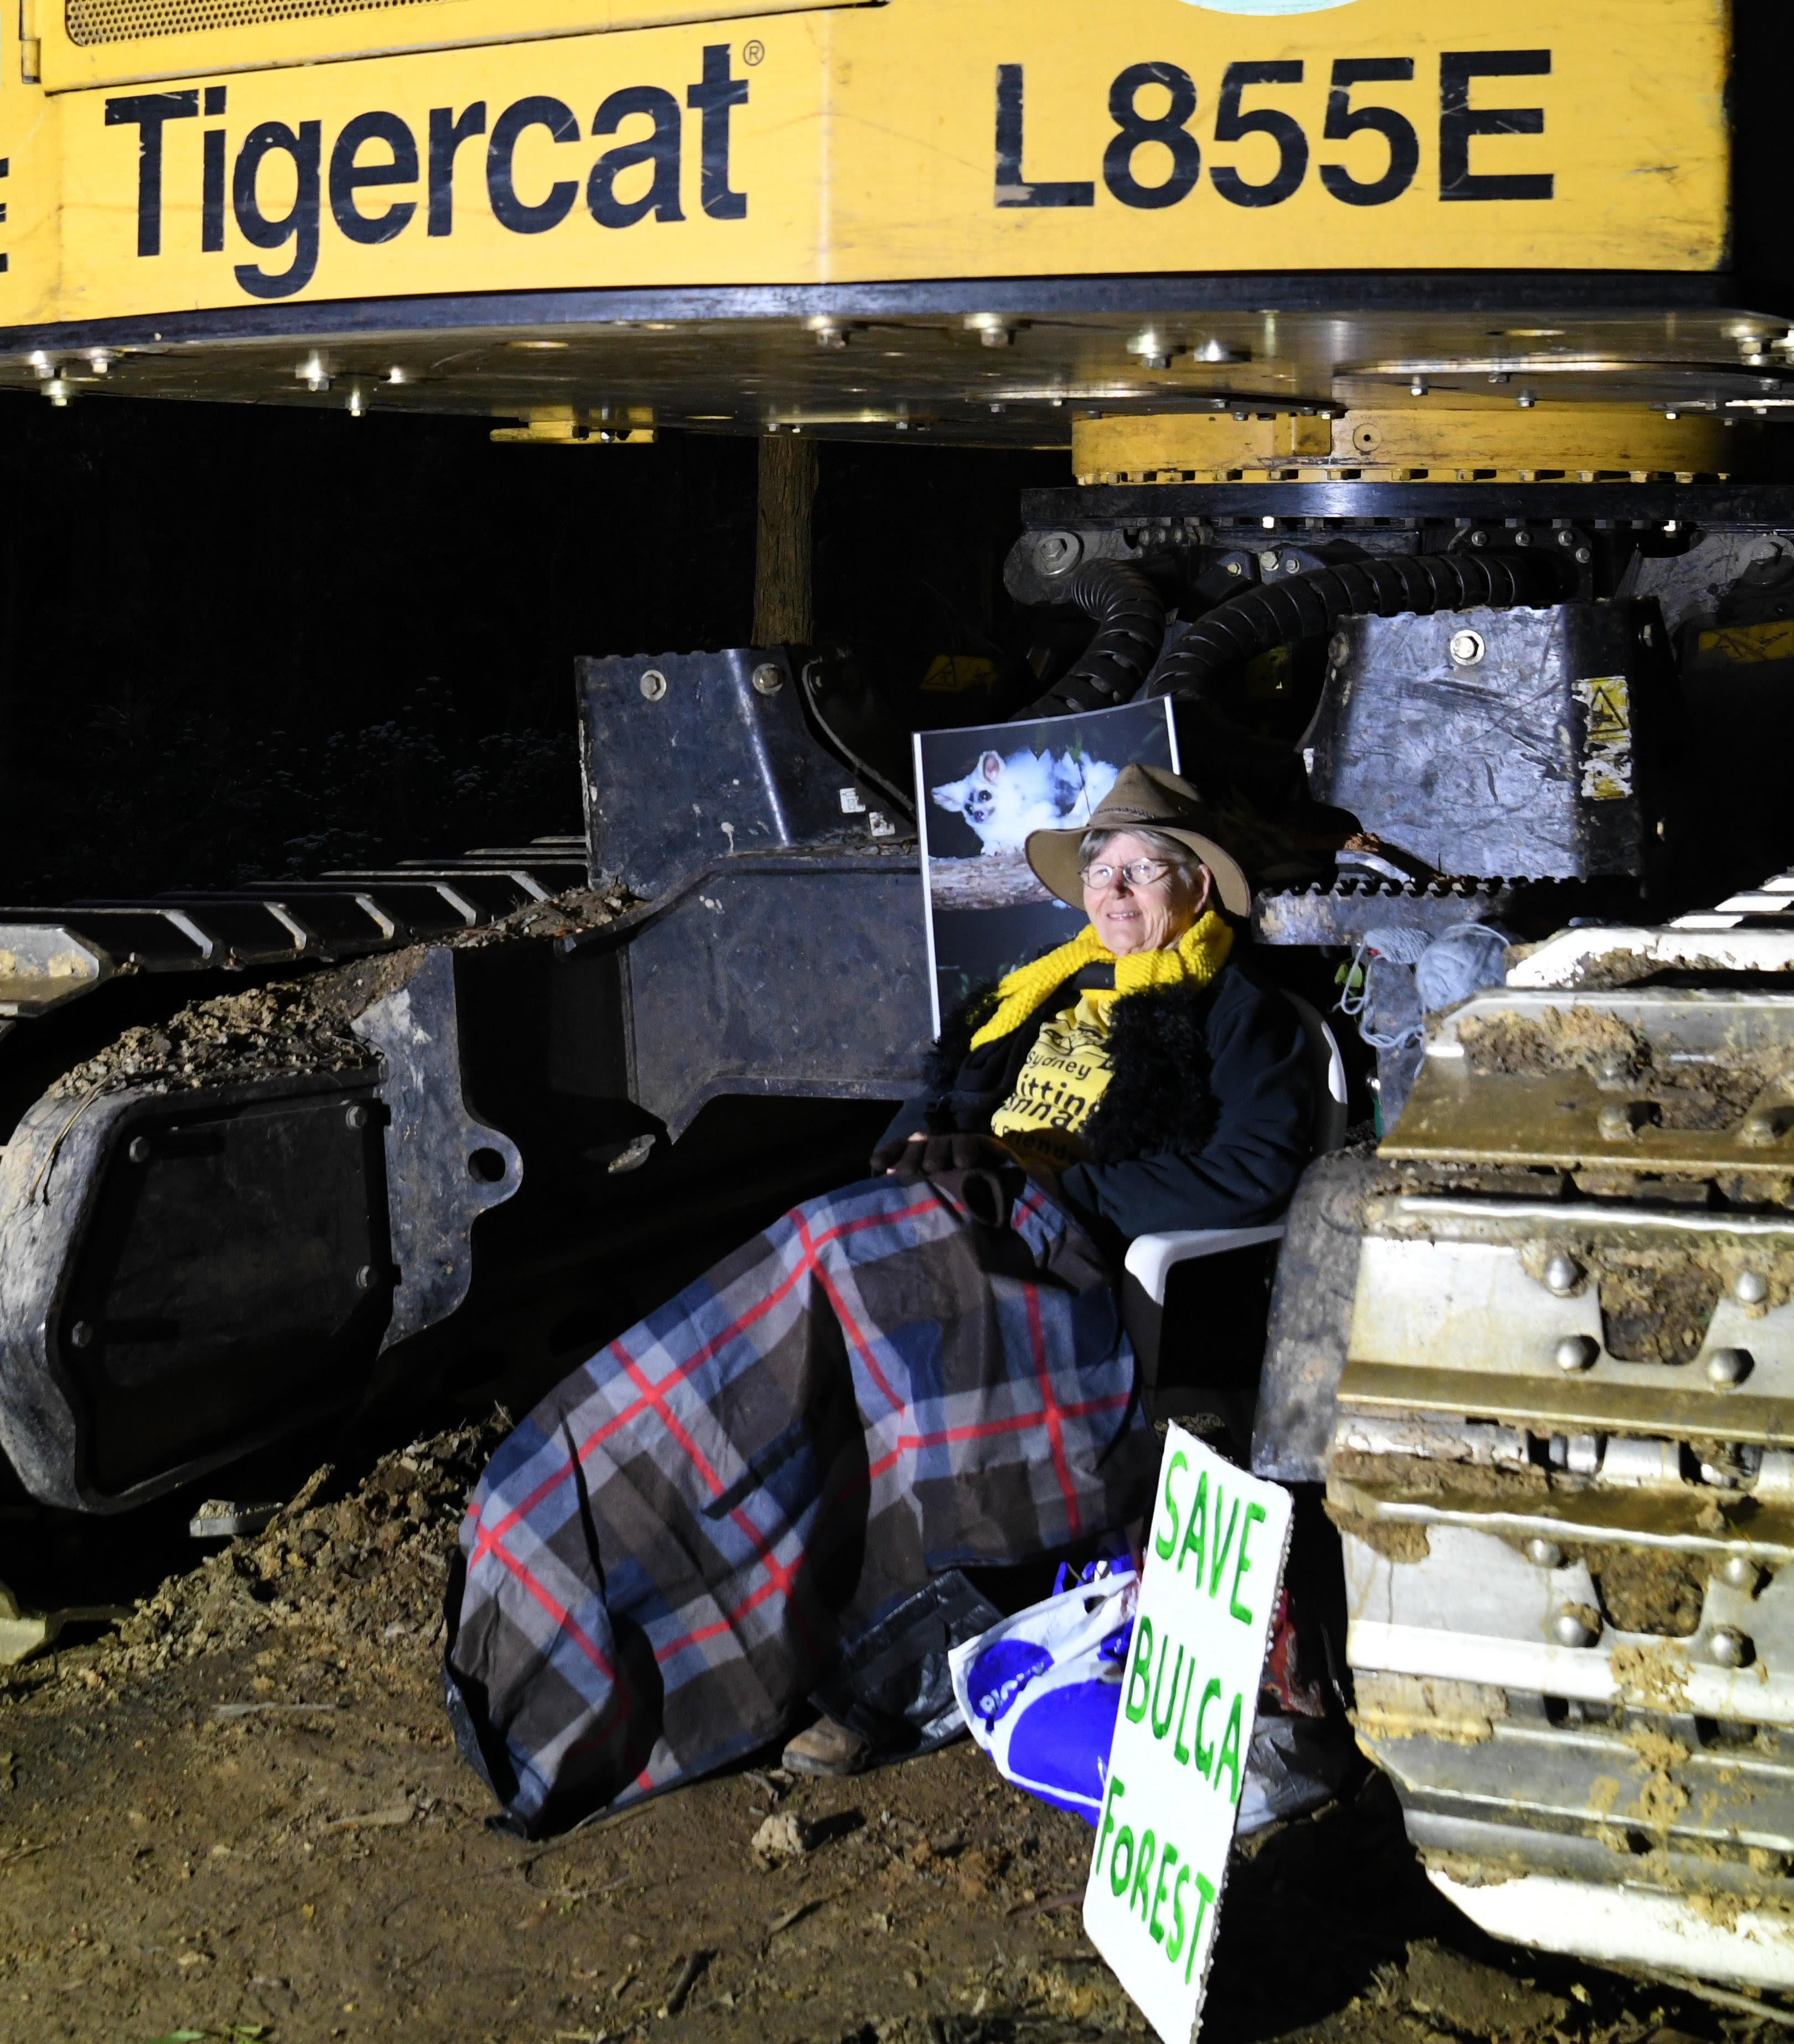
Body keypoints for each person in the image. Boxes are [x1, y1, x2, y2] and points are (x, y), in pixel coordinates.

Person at [444, 762, 1328, 1833]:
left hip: (1068, 1252)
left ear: (1195, 887)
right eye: (1100, 870)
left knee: (827, 1266)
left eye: (1141, 870)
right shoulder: (1038, 990)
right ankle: (551, 1542)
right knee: (794, 1294)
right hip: (959, 1214)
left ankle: (879, 1663)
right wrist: (924, 1148)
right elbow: (934, 1106)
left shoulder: (1236, 1014)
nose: (1114, 891)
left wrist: (1055, 1186)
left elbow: (1256, 1172)